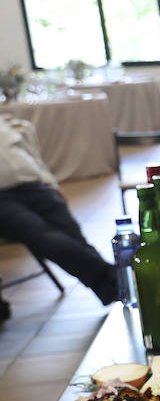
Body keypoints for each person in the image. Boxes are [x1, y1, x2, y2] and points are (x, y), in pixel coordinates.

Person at [0, 114, 119, 305]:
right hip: (2, 200)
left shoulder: (4, 122)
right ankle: (114, 278)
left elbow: (29, 156)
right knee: (42, 235)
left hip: (35, 185)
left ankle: (111, 287)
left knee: (73, 235)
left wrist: (50, 183)